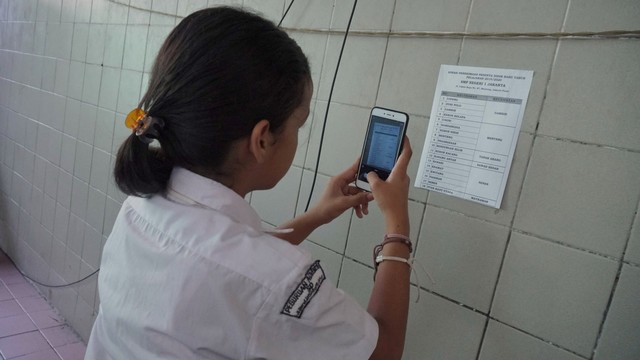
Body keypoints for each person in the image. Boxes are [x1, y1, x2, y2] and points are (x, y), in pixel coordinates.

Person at [85, 6, 413, 360]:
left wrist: (316, 215)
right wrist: (397, 226)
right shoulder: (276, 279)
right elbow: (384, 352)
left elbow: (228, 268)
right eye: (298, 124)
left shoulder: (139, 206)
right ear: (261, 140)